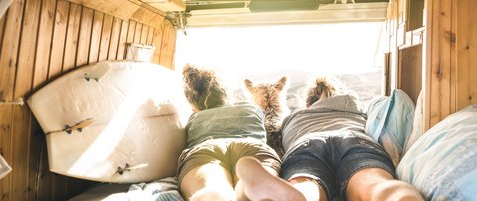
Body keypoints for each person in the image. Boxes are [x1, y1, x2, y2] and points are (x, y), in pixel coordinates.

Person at [234, 77, 424, 201]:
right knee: (373, 183)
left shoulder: (295, 116)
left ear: (308, 103)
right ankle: (397, 197)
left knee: (306, 183)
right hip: (353, 137)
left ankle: (300, 195)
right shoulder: (354, 108)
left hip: (307, 143)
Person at [177, 64, 281, 201]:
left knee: (212, 183)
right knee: (253, 183)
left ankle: (214, 194)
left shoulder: (194, 118)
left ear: (194, 105)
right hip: (251, 145)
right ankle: (249, 189)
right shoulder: (252, 109)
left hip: (207, 147)